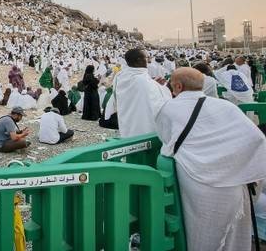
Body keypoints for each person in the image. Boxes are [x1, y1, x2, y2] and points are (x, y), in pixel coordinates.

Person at [156, 67, 266, 251]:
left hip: (197, 181)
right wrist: (236, 166)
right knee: (234, 235)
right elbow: (256, 138)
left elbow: (166, 138)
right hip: (233, 182)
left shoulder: (169, 107)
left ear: (178, 86)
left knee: (202, 233)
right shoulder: (226, 107)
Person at [113, 48, 171, 137]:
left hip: (127, 122)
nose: (147, 60)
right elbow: (160, 101)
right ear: (139, 60)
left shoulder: (121, 76)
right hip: (142, 126)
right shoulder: (142, 79)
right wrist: (164, 87)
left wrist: (155, 84)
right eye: (145, 58)